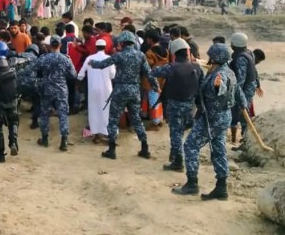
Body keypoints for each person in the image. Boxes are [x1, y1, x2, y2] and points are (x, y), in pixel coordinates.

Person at [173, 44, 238, 201]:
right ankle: (221, 187)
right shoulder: (228, 71)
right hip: (223, 116)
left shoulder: (220, 74)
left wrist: (218, 86)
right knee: (218, 149)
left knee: (190, 145)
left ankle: (192, 183)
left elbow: (220, 87)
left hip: (212, 118)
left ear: (215, 57)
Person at [89, 31, 158, 160]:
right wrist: (156, 86)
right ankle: (145, 148)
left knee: (113, 119)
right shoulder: (140, 55)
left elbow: (102, 65)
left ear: (122, 43)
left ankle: (112, 149)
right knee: (136, 119)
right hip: (134, 91)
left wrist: (92, 62)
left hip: (120, 90)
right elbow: (149, 73)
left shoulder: (119, 55)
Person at [151, 39, 203, 170]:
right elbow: (201, 87)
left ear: (173, 53)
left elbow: (154, 72)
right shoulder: (197, 68)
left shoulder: (171, 68)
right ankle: (178, 154)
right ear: (187, 52)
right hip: (190, 106)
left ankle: (178, 161)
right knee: (183, 131)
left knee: (176, 132)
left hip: (174, 105)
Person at [29, 35, 78, 151]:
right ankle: (64, 141)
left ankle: (45, 139)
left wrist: (37, 82)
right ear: (60, 45)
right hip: (61, 90)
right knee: (63, 114)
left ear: (50, 45)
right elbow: (73, 75)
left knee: (45, 114)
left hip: (47, 89)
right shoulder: (65, 59)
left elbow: (33, 68)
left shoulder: (44, 58)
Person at [77, 39, 115, 143]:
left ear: (96, 47)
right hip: (106, 89)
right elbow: (113, 75)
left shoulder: (89, 58)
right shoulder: (109, 59)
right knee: (106, 111)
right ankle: (107, 133)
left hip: (93, 89)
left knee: (94, 111)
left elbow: (80, 75)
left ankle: (96, 135)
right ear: (105, 47)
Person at [229, 32, 257, 149]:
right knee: (243, 115)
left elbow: (241, 78)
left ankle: (246, 142)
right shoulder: (248, 52)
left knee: (243, 115)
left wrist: (234, 92)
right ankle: (245, 141)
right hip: (249, 87)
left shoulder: (241, 58)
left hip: (244, 89)